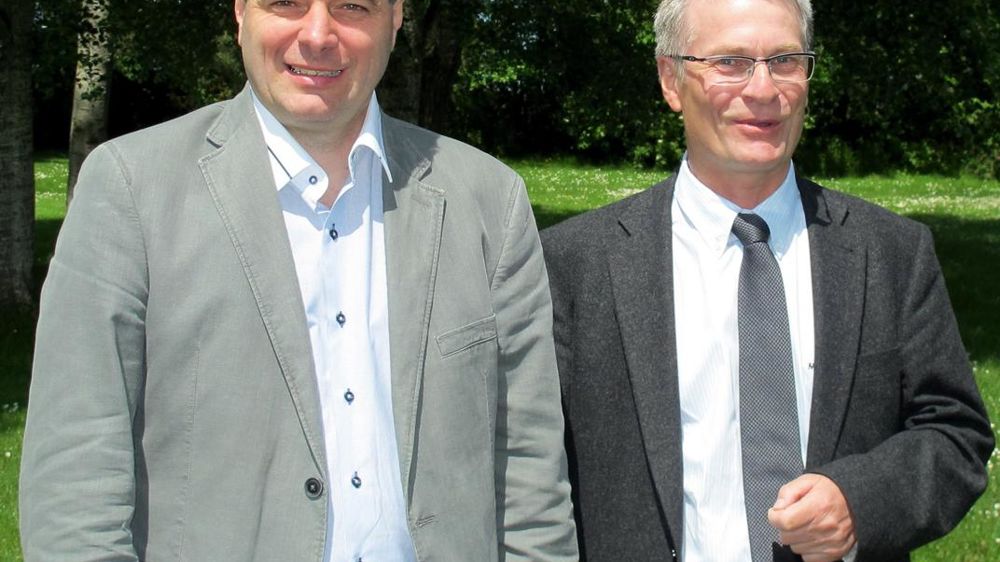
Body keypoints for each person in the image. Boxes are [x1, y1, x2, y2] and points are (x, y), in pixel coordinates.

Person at [19, 1, 577, 560]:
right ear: (241, 11)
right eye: (286, 2)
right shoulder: (131, 189)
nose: (317, 34)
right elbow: (75, 486)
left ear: (395, 18)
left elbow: (530, 480)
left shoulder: (489, 201)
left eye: (352, 6)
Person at [541, 0, 993, 561]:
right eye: (730, 62)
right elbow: (527, 465)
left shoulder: (891, 253)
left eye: (784, 60)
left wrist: (860, 503)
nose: (763, 89)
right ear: (671, 79)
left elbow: (955, 431)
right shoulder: (576, 264)